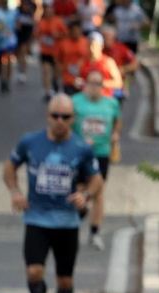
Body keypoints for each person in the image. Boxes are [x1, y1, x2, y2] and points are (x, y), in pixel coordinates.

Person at [4, 93, 102, 293]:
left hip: (67, 223)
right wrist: (15, 192)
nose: (60, 121)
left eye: (65, 117)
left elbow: (96, 178)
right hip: (37, 219)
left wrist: (86, 194)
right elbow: (9, 167)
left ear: (73, 118)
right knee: (34, 272)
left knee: (64, 280)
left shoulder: (81, 147)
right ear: (48, 116)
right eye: (55, 116)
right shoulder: (30, 141)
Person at [70, 71, 121, 249]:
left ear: (102, 86)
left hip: (101, 153)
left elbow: (117, 121)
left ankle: (94, 232)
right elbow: (66, 126)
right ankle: (75, 222)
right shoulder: (75, 102)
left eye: (98, 84)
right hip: (79, 154)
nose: (94, 87)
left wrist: (115, 134)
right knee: (79, 190)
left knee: (98, 192)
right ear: (85, 84)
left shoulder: (111, 103)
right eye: (91, 83)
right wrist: (78, 142)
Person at [0, 1, 21, 91]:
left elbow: (18, 26)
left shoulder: (14, 12)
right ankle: (1, 77)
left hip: (10, 40)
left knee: (9, 59)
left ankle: (7, 81)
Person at [80, 30, 126, 96]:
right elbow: (78, 79)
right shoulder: (82, 62)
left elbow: (118, 82)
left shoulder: (108, 62)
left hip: (104, 97)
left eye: (94, 45)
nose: (91, 49)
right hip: (86, 97)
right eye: (89, 45)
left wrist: (100, 84)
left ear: (101, 46)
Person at [55, 17, 92, 93]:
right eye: (74, 31)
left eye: (78, 30)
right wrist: (59, 69)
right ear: (70, 31)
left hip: (83, 77)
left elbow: (90, 57)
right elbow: (57, 58)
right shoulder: (63, 43)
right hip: (68, 77)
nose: (76, 33)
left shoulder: (86, 42)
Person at [38, 8, 70, 96]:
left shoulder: (58, 21)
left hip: (56, 51)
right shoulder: (41, 22)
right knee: (45, 70)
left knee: (56, 72)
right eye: (47, 13)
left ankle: (55, 82)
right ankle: (47, 91)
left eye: (51, 13)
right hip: (45, 51)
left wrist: (57, 35)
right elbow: (38, 34)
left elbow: (66, 33)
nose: (49, 14)